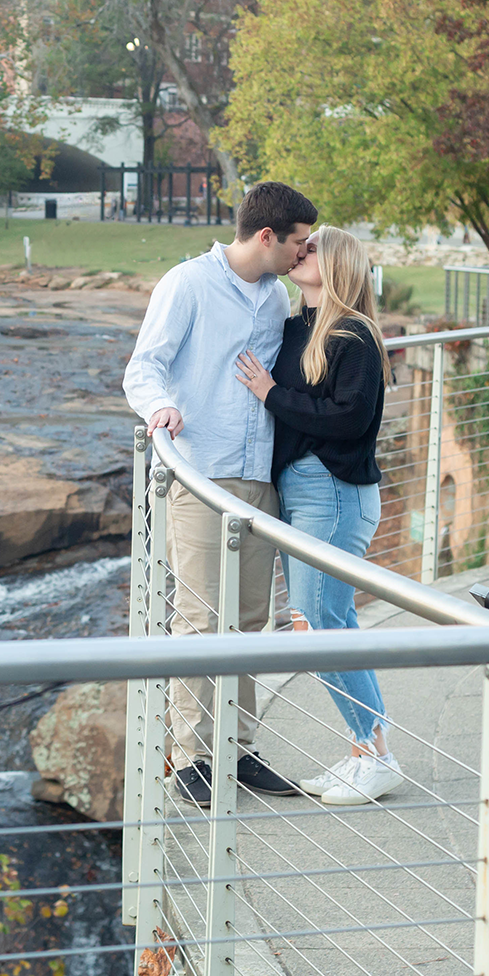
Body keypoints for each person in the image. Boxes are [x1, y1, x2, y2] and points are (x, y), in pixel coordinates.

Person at [123, 181, 317, 806]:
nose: (303, 251)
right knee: (203, 619)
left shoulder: (277, 295)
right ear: (267, 237)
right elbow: (143, 366)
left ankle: (236, 750)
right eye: (298, 241)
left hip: (260, 476)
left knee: (250, 620)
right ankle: (190, 759)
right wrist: (162, 407)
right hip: (200, 472)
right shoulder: (187, 283)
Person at [232, 224, 401, 806]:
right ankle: (368, 751)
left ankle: (376, 753)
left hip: (332, 496)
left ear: (338, 266)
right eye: (299, 248)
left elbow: (347, 419)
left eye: (312, 249)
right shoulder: (296, 324)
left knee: (315, 626)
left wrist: (270, 393)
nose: (299, 253)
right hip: (301, 494)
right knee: (331, 622)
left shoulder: (353, 334)